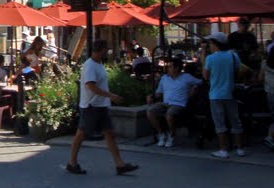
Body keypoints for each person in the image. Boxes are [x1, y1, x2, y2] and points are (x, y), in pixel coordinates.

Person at [66, 39, 138, 176]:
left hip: (101, 105)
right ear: (100, 50)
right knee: (81, 135)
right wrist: (111, 96)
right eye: (106, 49)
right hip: (91, 106)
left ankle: (119, 165)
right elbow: (91, 86)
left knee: (109, 134)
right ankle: (72, 163)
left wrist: (107, 98)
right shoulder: (90, 66)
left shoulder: (98, 64)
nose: (107, 52)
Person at [204, 32, 245, 158]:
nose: (209, 46)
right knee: (235, 121)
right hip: (230, 93)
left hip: (215, 94)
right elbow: (238, 71)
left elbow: (205, 76)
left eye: (210, 43)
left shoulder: (210, 58)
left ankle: (223, 149)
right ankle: (239, 148)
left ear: (216, 44)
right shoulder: (233, 56)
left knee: (220, 123)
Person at [147, 57, 201, 147]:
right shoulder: (164, 78)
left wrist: (194, 87)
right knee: (151, 111)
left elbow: (200, 82)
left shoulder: (186, 77)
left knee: (170, 114)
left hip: (179, 104)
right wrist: (151, 96)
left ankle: (171, 135)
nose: (168, 69)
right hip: (166, 103)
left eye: (170, 67)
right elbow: (159, 93)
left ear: (176, 68)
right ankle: (161, 134)